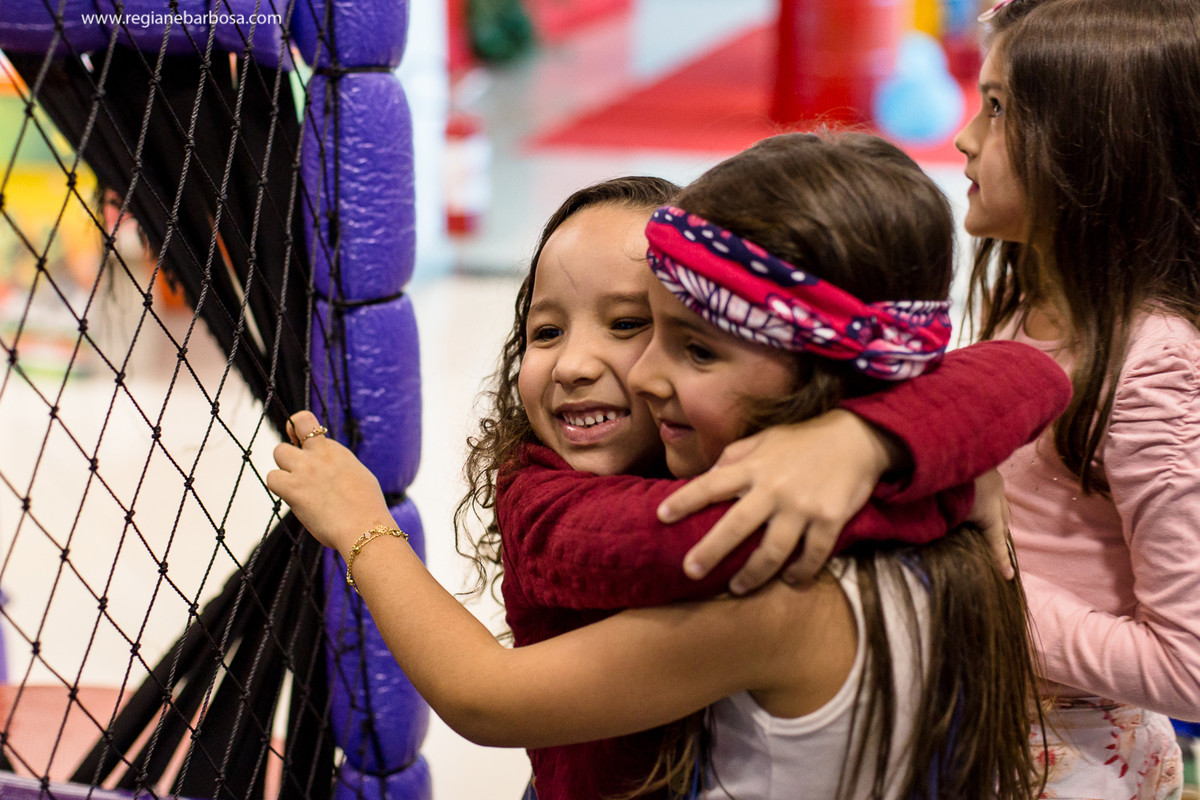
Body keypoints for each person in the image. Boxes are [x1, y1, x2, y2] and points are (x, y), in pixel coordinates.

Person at [269, 132, 1067, 799]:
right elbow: (1021, 374)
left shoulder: (781, 593)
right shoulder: (921, 498)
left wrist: (363, 526)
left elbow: (484, 696)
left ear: (819, 373)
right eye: (544, 332)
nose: (634, 370)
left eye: (676, 341)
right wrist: (908, 454)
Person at [948, 0, 1200, 795]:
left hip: (1073, 759)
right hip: (989, 718)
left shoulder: (1152, 366)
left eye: (997, 110)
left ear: (1096, 150)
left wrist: (972, 582)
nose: (964, 137)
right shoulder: (1033, 300)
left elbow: (1189, 664)